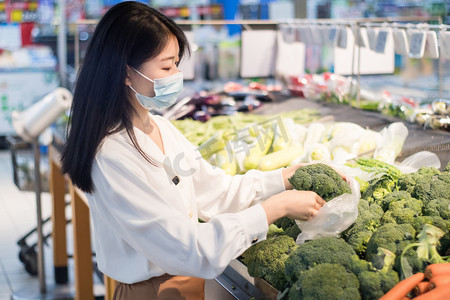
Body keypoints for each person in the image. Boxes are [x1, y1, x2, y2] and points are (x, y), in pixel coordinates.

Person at [61, 2, 327, 299]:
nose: (177, 74)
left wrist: (284, 178)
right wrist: (276, 208)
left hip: (185, 285)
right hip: (150, 291)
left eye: (177, 64)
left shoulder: (162, 129)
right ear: (126, 73)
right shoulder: (111, 154)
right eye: (167, 66)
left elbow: (216, 191)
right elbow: (188, 247)